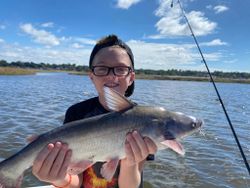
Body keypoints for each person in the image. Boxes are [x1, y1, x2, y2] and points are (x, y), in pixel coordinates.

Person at [32, 34, 157, 188]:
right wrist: (58, 178)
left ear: (131, 77)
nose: (112, 76)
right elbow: (75, 180)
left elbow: (130, 185)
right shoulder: (77, 113)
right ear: (91, 76)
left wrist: (130, 164)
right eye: (102, 69)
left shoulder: (146, 119)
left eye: (120, 69)